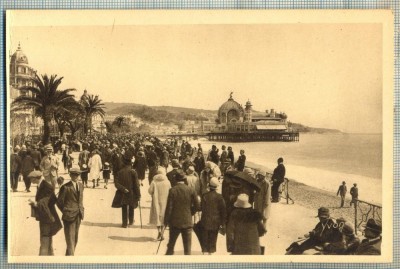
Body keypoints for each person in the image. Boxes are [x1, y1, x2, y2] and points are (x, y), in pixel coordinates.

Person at [164, 171, 201, 255]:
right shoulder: (191, 190)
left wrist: (166, 221)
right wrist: (190, 212)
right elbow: (198, 206)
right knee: (187, 249)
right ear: (184, 179)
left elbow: (169, 208)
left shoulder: (172, 190)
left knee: (171, 246)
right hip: (187, 221)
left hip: (174, 222)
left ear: (176, 179)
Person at [28, 170, 62, 255]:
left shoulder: (47, 186)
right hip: (45, 215)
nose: (30, 180)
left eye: (31, 179)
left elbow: (52, 200)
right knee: (47, 236)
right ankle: (50, 255)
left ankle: (43, 258)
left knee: (45, 237)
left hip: (48, 216)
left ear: (36, 178)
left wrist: (36, 203)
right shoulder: (41, 185)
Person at [57, 168, 84, 256]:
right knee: (70, 240)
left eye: (77, 175)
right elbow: (59, 202)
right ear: (70, 175)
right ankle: (71, 259)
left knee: (75, 239)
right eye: (74, 175)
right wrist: (66, 210)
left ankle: (68, 258)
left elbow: (80, 200)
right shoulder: (65, 187)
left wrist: (81, 209)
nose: (75, 177)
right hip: (69, 216)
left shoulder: (81, 185)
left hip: (78, 214)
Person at [199, 177, 227, 255]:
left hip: (205, 219)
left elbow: (201, 207)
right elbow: (223, 210)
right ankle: (211, 250)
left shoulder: (204, 195)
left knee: (205, 235)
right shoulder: (219, 197)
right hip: (216, 220)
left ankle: (205, 250)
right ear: (216, 186)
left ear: (209, 185)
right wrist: (223, 222)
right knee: (213, 236)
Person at [113, 155, 141, 228]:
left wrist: (123, 189)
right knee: (131, 206)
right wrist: (138, 195)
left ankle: (124, 223)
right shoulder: (133, 172)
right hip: (132, 192)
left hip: (123, 193)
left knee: (124, 207)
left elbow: (116, 184)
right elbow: (136, 185)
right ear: (130, 164)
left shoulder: (119, 172)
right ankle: (131, 221)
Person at [148, 168, 171, 240]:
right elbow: (171, 191)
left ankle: (159, 232)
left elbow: (150, 191)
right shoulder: (167, 182)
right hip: (165, 201)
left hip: (156, 200)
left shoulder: (154, 181)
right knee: (164, 216)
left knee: (158, 217)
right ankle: (162, 232)